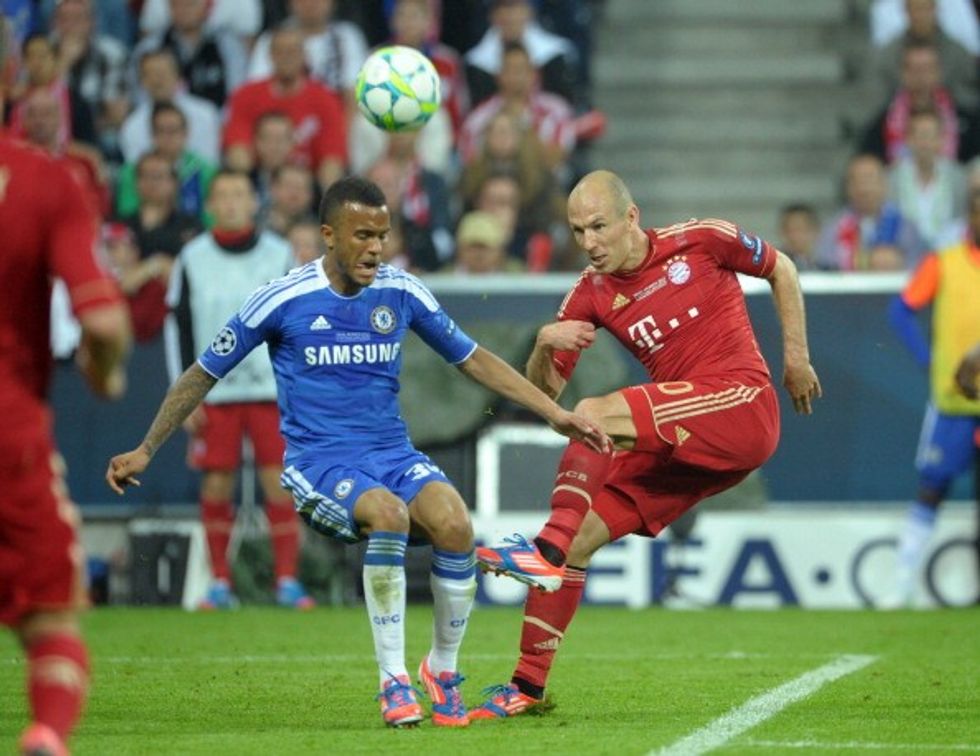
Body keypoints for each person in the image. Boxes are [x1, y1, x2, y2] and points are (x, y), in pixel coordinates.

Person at [105, 176, 607, 728]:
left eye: (383, 235)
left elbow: (472, 359)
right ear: (329, 235)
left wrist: (555, 412)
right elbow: (202, 373)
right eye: (362, 234)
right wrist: (147, 447)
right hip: (318, 463)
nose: (375, 247)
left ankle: (441, 671)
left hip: (390, 451)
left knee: (455, 524)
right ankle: (393, 682)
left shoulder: (401, 291)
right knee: (388, 514)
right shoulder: (283, 299)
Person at [472, 170, 821, 718]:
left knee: (594, 416)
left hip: (742, 403)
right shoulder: (588, 293)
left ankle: (542, 552)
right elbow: (549, 403)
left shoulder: (701, 240)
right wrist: (543, 346)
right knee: (581, 535)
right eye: (577, 231)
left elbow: (783, 268)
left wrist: (795, 358)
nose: (588, 243)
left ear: (631, 218)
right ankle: (526, 686)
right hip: (688, 439)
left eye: (598, 226)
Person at [0, 18, 132, 754]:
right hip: (8, 431)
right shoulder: (47, 181)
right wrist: (105, 374)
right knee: (50, 618)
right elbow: (106, 324)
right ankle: (47, 732)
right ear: (14, 81)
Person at [165, 170, 314, 610]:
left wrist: (298, 385)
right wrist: (183, 394)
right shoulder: (191, 258)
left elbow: (297, 321)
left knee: (279, 481)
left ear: (254, 202)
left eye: (239, 194)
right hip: (213, 391)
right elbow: (179, 327)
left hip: (271, 389)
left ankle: (287, 581)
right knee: (216, 484)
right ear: (210, 205)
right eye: (222, 195)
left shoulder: (278, 253)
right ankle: (220, 583)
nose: (231, 202)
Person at [885, 188, 980, 607]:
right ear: (969, 215)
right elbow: (901, 311)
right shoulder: (944, 262)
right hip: (953, 404)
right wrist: (928, 360)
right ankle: (903, 581)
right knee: (932, 488)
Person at [815, 153, 926, 271]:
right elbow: (823, 263)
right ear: (848, 188)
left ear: (884, 184)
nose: (864, 188)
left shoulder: (906, 227)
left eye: (869, 179)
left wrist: (898, 262)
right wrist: (866, 261)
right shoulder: (833, 228)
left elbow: (920, 265)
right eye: (857, 181)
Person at [778, 203, 823, 271]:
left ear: (815, 231)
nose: (795, 236)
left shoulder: (829, 270)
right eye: (790, 230)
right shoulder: (774, 269)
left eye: (800, 229)